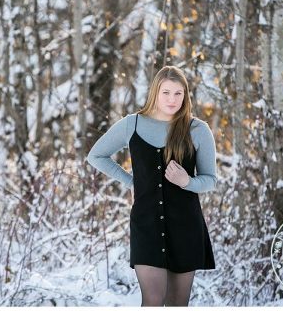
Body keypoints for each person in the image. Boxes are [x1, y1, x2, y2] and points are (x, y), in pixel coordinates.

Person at [87, 66, 216, 306]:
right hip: (146, 225)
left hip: (185, 227)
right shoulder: (132, 124)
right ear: (155, 92)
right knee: (153, 300)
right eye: (166, 92)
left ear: (185, 95)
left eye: (178, 93)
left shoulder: (197, 130)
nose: (172, 99)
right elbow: (96, 156)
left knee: (178, 304)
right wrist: (131, 182)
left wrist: (187, 182)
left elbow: (210, 180)